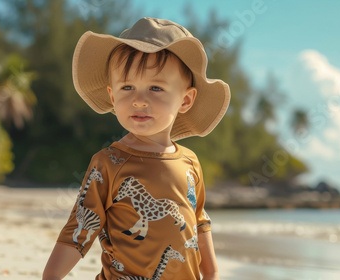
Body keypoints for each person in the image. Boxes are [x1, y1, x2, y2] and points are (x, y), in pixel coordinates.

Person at [43, 17, 230, 280]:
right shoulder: (108, 162)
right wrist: (50, 276)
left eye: (155, 88)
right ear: (112, 95)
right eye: (127, 87)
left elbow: (198, 220)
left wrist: (211, 273)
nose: (139, 101)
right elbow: (81, 227)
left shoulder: (190, 162)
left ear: (185, 100)